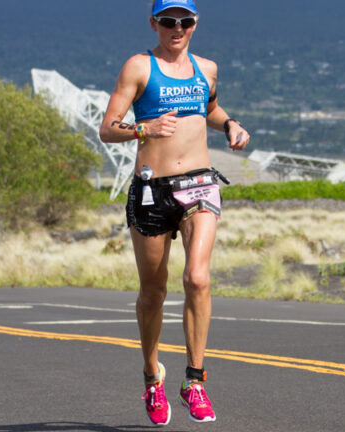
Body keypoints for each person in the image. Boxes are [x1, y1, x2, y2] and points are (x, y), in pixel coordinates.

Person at [99, 0, 249, 425]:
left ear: (195, 24)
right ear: (155, 24)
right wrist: (145, 128)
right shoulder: (138, 67)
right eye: (168, 21)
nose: (177, 27)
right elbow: (108, 127)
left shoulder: (208, 68)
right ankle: (152, 377)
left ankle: (195, 381)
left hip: (200, 183)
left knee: (197, 278)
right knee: (154, 291)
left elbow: (210, 108)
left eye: (184, 21)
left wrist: (231, 124)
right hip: (152, 189)